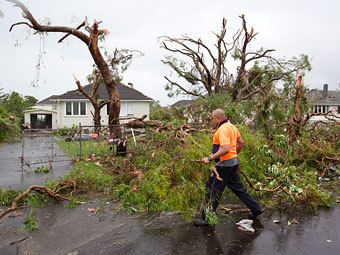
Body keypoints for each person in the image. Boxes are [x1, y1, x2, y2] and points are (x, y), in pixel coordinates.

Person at [194, 109, 264, 226]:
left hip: (224, 165)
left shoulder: (222, 129)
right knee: (238, 188)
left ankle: (207, 219)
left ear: (217, 118)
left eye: (212, 118)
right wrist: (233, 155)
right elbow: (241, 143)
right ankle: (256, 209)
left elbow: (225, 148)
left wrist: (210, 158)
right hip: (232, 163)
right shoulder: (231, 126)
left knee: (212, 190)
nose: (212, 121)